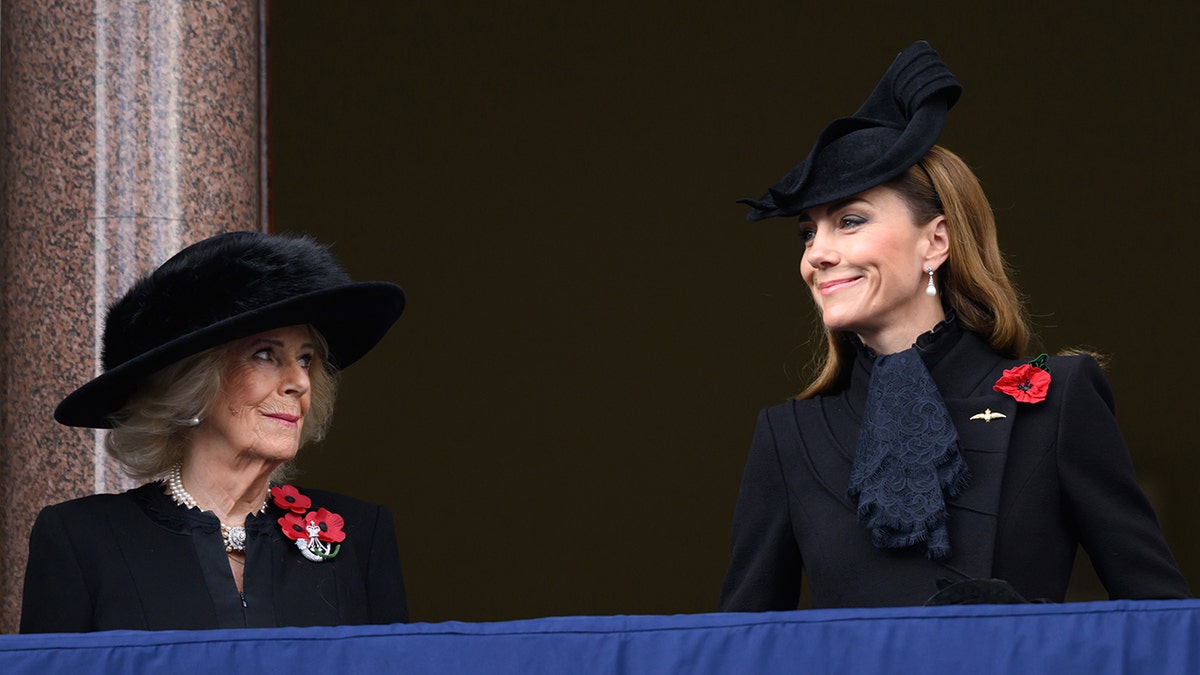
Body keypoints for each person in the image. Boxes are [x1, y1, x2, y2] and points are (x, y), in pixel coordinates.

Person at [718, 41, 1190, 610]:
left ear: (935, 242)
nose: (816, 253)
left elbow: (1162, 620)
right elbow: (741, 645)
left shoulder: (1058, 400)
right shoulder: (787, 436)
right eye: (807, 232)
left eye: (849, 221)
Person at [20, 231, 410, 632]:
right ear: (192, 387)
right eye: (266, 354)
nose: (299, 382)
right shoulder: (83, 539)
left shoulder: (359, 535)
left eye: (305, 359)